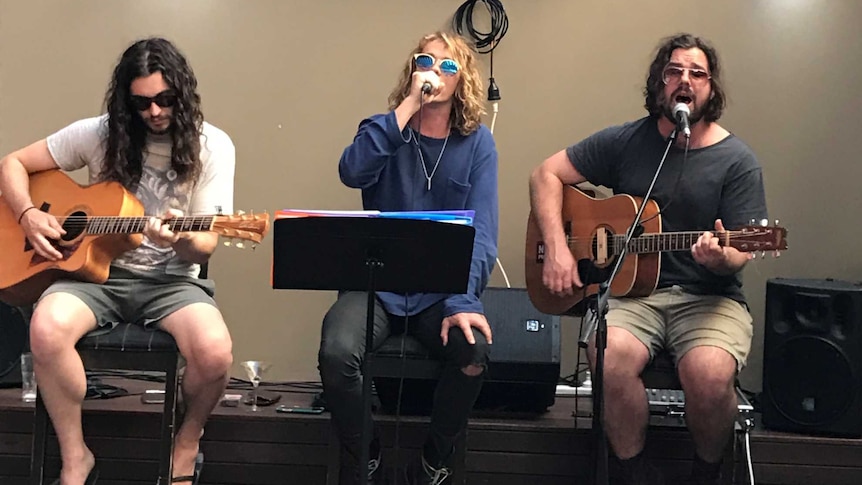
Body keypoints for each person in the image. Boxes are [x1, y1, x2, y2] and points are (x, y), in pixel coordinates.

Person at [528, 33, 768, 485]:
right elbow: (544, 174)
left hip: (709, 299)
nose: (685, 81)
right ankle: (633, 474)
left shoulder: (737, 161)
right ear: (659, 84)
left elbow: (742, 248)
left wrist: (722, 258)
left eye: (698, 74)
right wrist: (557, 247)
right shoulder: (626, 141)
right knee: (607, 357)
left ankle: (706, 474)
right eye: (675, 71)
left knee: (710, 375)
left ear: (711, 89)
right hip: (632, 297)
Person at [0, 37, 235, 485]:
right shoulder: (98, 133)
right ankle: (76, 458)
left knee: (214, 352)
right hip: (94, 276)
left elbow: (204, 248)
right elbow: (11, 163)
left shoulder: (213, 146)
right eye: (142, 103)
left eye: (165, 100)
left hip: (170, 282)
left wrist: (178, 242)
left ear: (182, 93)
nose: (155, 113)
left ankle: (186, 440)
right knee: (46, 328)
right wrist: (29, 215)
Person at [318, 31, 499, 485]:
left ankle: (434, 459)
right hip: (375, 286)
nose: (434, 72)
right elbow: (351, 171)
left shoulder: (477, 145)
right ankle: (367, 452)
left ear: (463, 83)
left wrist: (462, 302)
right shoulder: (381, 130)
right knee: (336, 352)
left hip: (439, 292)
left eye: (447, 67)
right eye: (426, 61)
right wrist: (406, 109)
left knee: (473, 353)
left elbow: (482, 232)